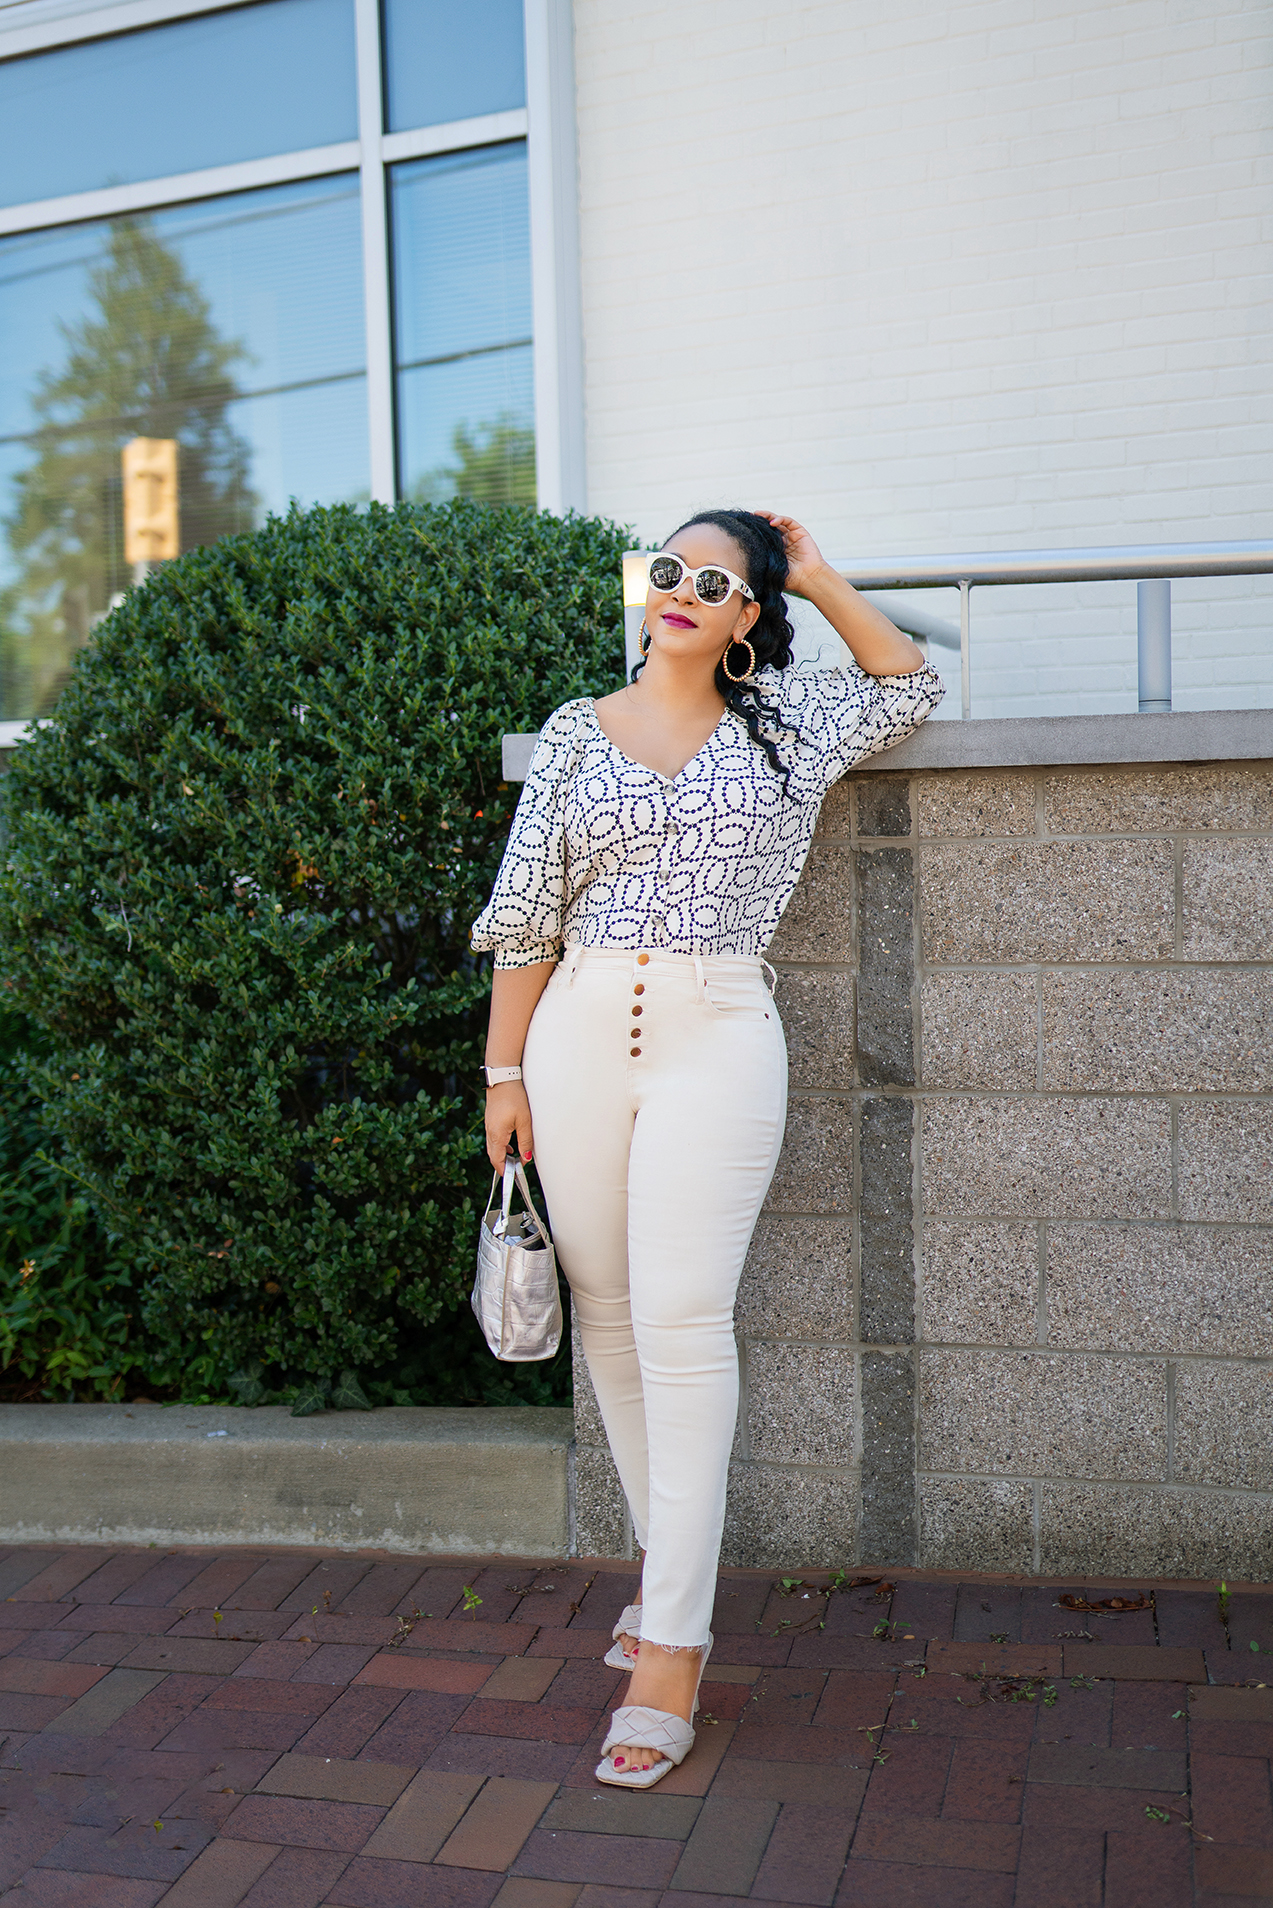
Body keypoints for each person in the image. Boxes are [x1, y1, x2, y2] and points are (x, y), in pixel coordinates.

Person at [471, 509, 943, 1788]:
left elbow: (912, 681)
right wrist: (501, 1073)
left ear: (746, 616)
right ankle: (659, 1580)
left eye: (714, 582)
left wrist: (819, 571)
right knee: (609, 1312)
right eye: (665, 571)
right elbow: (525, 914)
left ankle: (672, 1647)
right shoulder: (578, 729)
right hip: (572, 1032)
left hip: (718, 1030)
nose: (678, 591)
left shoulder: (790, 722)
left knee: (682, 1319)